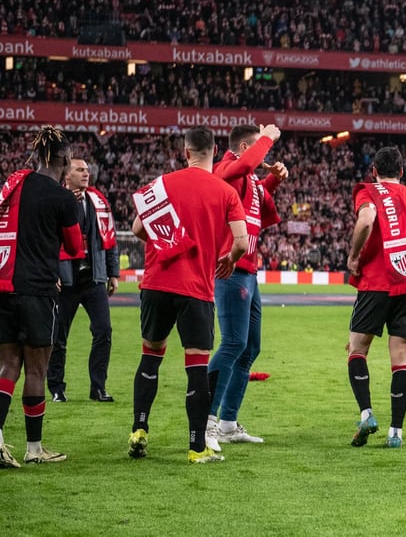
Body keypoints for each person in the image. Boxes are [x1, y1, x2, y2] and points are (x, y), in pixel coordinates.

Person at [127, 126, 249, 464]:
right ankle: (197, 448)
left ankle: (139, 428)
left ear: (185, 152)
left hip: (156, 283)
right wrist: (229, 260)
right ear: (213, 152)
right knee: (196, 367)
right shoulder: (225, 192)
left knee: (150, 356)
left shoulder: (161, 185)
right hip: (196, 288)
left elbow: (138, 229)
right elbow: (241, 242)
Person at [345, 146, 406, 449]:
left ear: (374, 171)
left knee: (356, 350)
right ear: (402, 172)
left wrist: (352, 256)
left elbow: (365, 221)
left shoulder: (369, 192)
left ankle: (366, 414)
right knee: (400, 360)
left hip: (375, 283)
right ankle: (396, 432)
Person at [0, 127, 84, 468]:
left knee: (7, 366)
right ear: (64, 160)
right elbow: (75, 247)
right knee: (37, 368)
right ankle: (34, 450)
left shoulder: (14, 184)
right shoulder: (61, 197)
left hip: (5, 286)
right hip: (38, 290)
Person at [205, 123, 287, 452]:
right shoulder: (227, 167)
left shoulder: (249, 179)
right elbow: (242, 167)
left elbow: (259, 201)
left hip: (249, 271)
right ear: (243, 148)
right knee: (233, 343)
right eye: (258, 147)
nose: (265, 154)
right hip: (231, 268)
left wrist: (275, 180)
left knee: (249, 348)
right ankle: (206, 421)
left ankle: (227, 423)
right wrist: (269, 134)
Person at [48, 158, 119, 403]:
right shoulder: (56, 200)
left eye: (88, 169)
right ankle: (56, 387)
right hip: (66, 279)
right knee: (58, 336)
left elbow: (109, 239)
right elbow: (47, 238)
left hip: (93, 278)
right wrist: (51, 271)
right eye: (80, 170)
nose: (86, 173)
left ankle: (98, 388)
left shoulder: (98, 201)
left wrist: (113, 272)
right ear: (66, 175)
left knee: (104, 331)